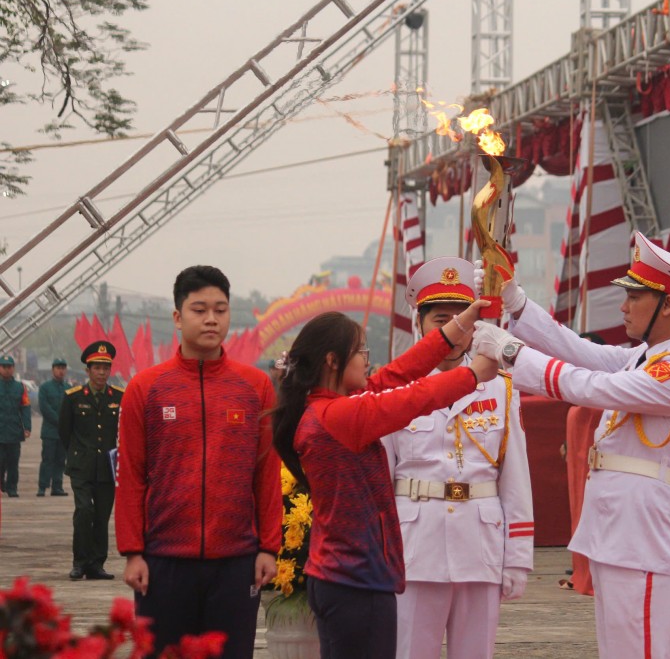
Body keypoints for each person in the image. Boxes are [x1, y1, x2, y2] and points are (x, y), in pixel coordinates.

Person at [473, 230, 670, 659]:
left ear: (667, 304)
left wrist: (509, 350)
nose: (623, 307)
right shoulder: (646, 357)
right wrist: (515, 301)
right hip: (618, 528)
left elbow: (589, 386)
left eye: (634, 297)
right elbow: (578, 351)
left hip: (641, 534)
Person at [272, 300, 498, 659]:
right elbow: (414, 398)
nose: (367, 358)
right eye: (360, 351)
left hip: (338, 574)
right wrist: (474, 374)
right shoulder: (342, 414)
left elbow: (395, 375)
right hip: (357, 578)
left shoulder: (328, 407)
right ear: (332, 360)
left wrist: (457, 328)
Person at [115, 266, 282, 658]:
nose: (211, 319)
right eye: (199, 309)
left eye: (221, 310)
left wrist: (269, 548)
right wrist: (133, 552)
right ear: (177, 317)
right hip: (163, 562)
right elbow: (132, 475)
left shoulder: (255, 387)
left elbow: (266, 474)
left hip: (237, 561)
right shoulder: (146, 388)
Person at [382, 258, 533, 659]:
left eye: (463, 319)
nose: (455, 328)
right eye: (441, 319)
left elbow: (514, 476)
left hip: (479, 545)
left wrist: (518, 558)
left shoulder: (500, 387)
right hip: (415, 546)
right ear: (420, 324)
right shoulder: (398, 387)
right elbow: (381, 476)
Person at [59, 342, 122, 580]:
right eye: (97, 367)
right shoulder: (73, 398)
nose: (102, 372)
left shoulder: (119, 396)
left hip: (107, 467)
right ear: (87, 370)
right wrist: (78, 454)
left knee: (101, 516)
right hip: (81, 466)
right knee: (84, 511)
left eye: (106, 367)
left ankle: (96, 564)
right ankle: (80, 561)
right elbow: (65, 432)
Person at [38, 357, 71, 497]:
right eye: (58, 368)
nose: (60, 371)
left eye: (63, 368)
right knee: (47, 460)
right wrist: (60, 421)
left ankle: (57, 487)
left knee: (60, 460)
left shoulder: (69, 389)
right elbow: (44, 408)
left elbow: (72, 408)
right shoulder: (45, 388)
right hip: (50, 431)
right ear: (53, 370)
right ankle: (42, 487)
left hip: (63, 433)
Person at [0, 354, 32, 498]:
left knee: (13, 462)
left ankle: (12, 488)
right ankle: (1, 483)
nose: (6, 370)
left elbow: (25, 407)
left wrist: (27, 427)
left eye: (9, 367)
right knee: (1, 461)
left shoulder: (20, 387)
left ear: (13, 368)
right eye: (4, 367)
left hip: (14, 430)